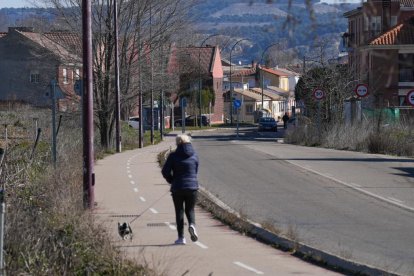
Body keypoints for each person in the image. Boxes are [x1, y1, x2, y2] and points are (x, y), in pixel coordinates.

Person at [162, 134, 199, 245]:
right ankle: (192, 225)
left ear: (177, 143)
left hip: (178, 187)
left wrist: (171, 180)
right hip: (192, 187)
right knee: (190, 209)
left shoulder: (173, 156)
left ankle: (181, 238)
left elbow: (165, 172)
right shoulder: (195, 155)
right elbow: (196, 170)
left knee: (179, 211)